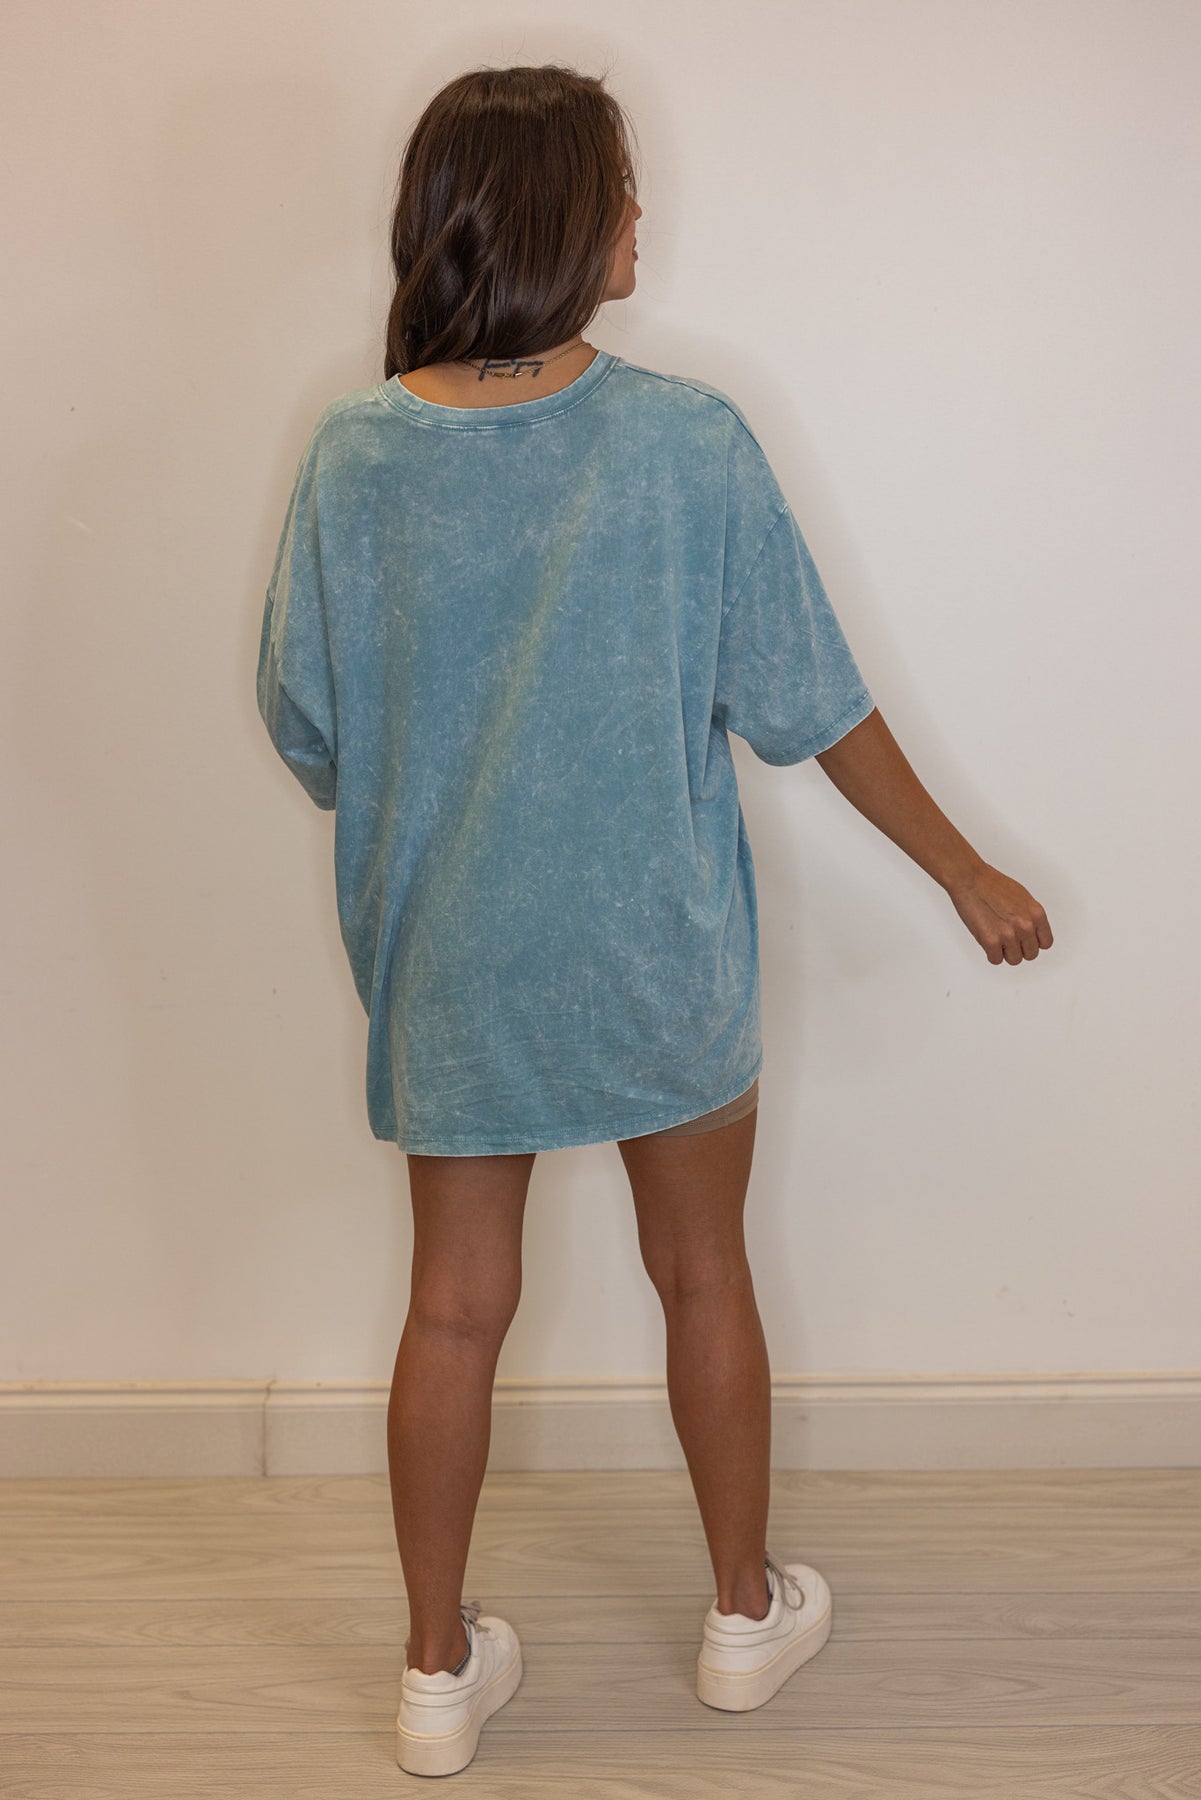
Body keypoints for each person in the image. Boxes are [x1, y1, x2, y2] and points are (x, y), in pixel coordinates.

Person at [255, 62, 1054, 1778]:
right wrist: (963, 869)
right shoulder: (686, 442)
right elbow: (811, 702)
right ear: (559, 212)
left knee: (451, 1310)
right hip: (654, 947)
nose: (641, 216)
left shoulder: (353, 453)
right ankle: (742, 1616)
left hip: (451, 961)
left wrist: (443, 801)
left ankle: (433, 1673)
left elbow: (303, 721)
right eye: (621, 187)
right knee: (703, 1272)